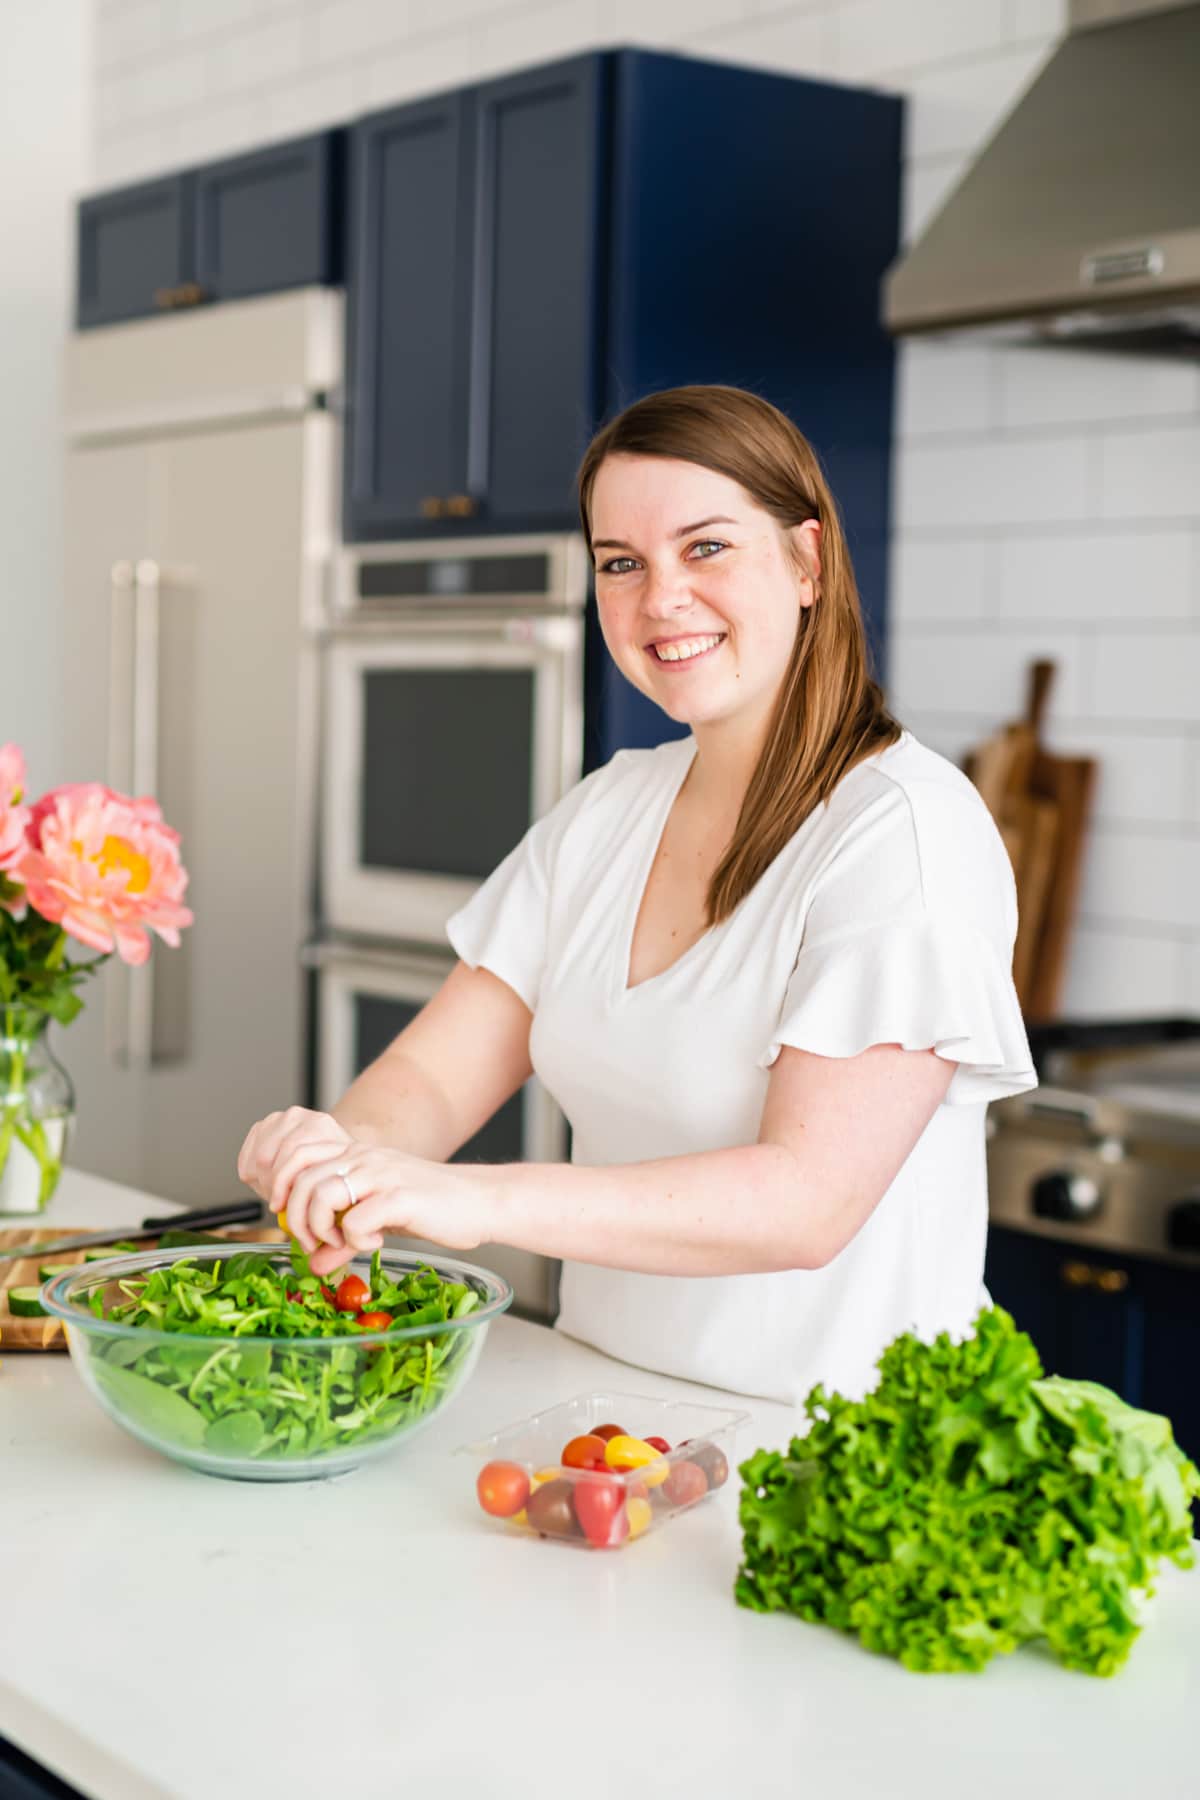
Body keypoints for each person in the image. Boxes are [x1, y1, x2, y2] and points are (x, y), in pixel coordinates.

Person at [236, 385, 1036, 1406]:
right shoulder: (612, 809)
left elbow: (805, 1201)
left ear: (807, 561)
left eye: (706, 548)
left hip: (831, 1452)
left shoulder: (903, 832)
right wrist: (339, 1158)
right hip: (607, 1429)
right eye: (622, 563)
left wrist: (469, 1199)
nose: (661, 599)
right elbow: (432, 1082)